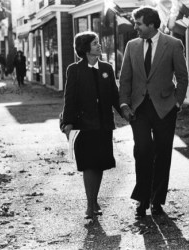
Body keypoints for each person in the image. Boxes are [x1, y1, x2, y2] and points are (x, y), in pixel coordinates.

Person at [119, 6, 188, 219]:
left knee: (163, 153)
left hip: (165, 108)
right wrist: (124, 104)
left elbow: (182, 77)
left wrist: (177, 102)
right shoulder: (132, 46)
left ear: (151, 24)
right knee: (142, 150)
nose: (135, 27)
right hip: (139, 108)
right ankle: (142, 198)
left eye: (138, 23)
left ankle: (157, 200)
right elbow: (125, 79)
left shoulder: (173, 44)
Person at [60, 31, 121, 219]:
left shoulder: (107, 68)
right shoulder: (74, 69)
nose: (99, 45)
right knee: (88, 165)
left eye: (98, 43)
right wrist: (68, 122)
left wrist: (126, 112)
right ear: (85, 48)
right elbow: (69, 98)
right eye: (95, 43)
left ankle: (94, 200)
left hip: (103, 125)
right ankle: (89, 204)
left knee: (100, 164)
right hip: (84, 125)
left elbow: (114, 96)